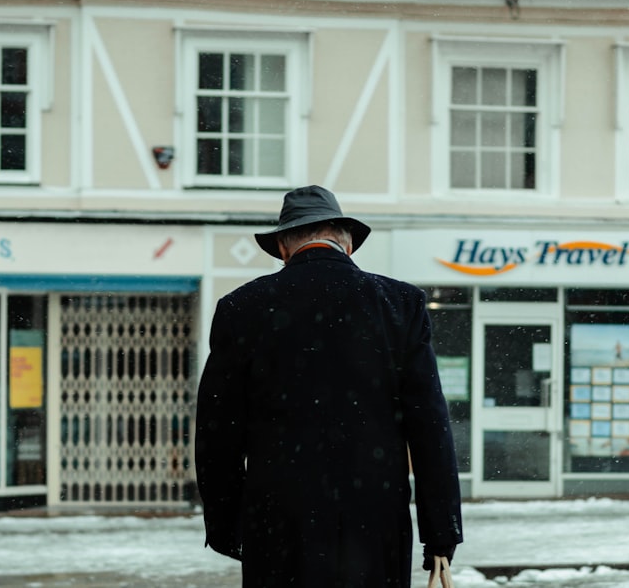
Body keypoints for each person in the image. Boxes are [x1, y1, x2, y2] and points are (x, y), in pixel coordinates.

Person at [196, 185, 463, 588]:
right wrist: (440, 531)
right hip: (375, 515)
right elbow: (429, 426)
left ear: (284, 246)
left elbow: (218, 431)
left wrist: (226, 525)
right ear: (348, 242)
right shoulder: (399, 303)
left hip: (279, 516)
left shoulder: (241, 307)